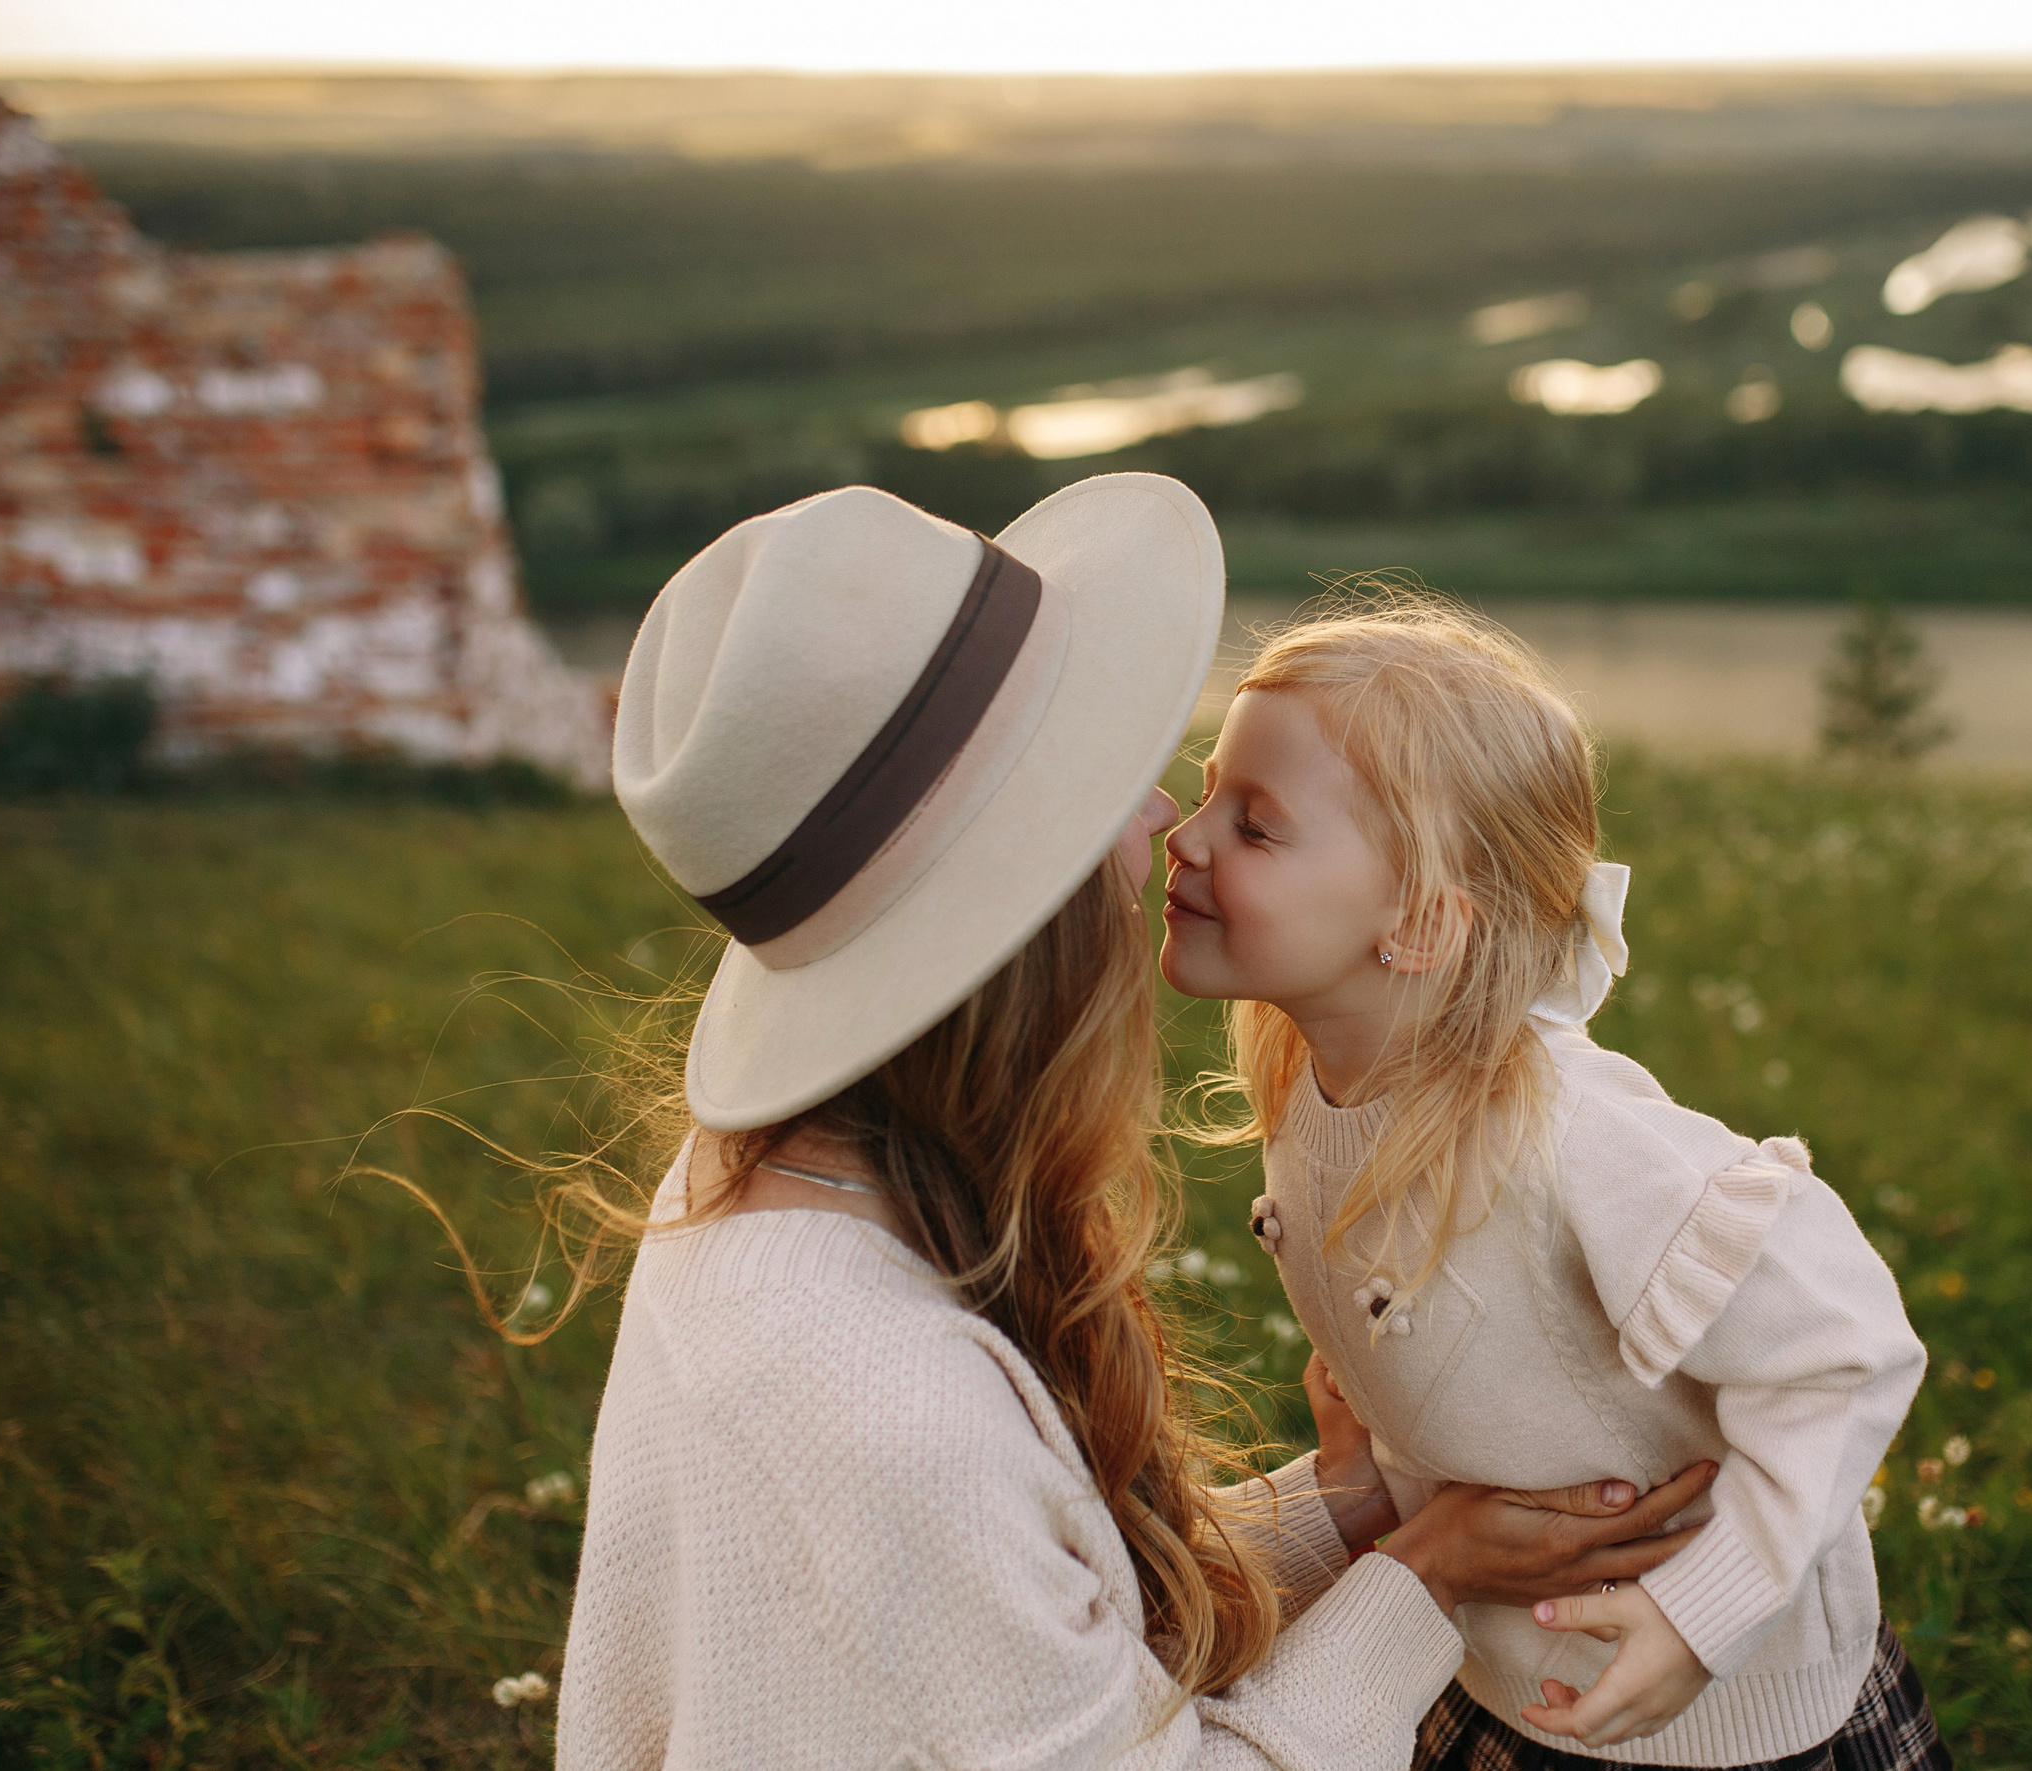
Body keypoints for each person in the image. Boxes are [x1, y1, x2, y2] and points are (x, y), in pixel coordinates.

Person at [557, 477, 1716, 1769]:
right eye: (1101, 775)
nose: (1164, 815)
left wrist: (1343, 1503)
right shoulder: (883, 1403)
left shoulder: (776, 1183)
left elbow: (1011, 1628)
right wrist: (1423, 1576)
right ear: (1023, 904)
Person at [1159, 594, 1949, 1768]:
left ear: (1418, 924)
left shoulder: (1570, 1135)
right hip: (1488, 1664)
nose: (1184, 837)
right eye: (1208, 790)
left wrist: (1700, 1615)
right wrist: (1374, 1458)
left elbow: (1845, 1347)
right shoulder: (1318, 1087)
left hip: (1704, 1720)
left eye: (1256, 826)